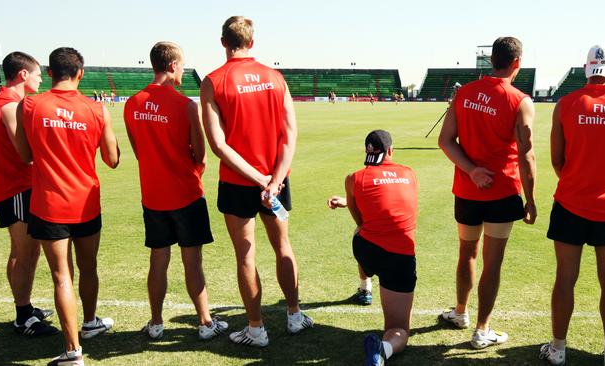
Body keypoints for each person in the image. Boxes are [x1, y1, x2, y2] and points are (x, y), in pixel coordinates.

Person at [201, 15, 312, 347]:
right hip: (275, 181)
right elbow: (290, 133)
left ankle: (256, 329)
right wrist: (274, 180)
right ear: (252, 42)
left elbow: (219, 145)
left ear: (223, 42)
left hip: (239, 182)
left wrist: (259, 178)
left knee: (245, 256)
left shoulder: (213, 81)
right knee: (283, 247)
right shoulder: (275, 77)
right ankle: (294, 315)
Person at [14, 47, 120, 366]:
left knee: (62, 276)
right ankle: (89, 323)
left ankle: (73, 352)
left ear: (49, 72)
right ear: (81, 73)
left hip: (49, 203)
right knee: (89, 267)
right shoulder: (97, 109)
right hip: (86, 201)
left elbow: (24, 154)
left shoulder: (30, 104)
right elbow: (112, 160)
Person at [539, 45, 605, 366]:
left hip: (569, 202)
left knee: (565, 277)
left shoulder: (566, 104)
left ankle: (557, 349)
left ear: (587, 68)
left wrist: (576, 179)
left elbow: (557, 159)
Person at [124, 41, 227, 341]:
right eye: (182, 65)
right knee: (192, 261)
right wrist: (192, 172)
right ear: (172, 66)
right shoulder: (185, 105)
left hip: (153, 196)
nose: (183, 70)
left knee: (158, 259)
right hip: (185, 194)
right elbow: (202, 156)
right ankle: (206, 323)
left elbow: (139, 152)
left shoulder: (133, 103)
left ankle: (156, 323)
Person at [437, 36, 536, 349]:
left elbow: (445, 141)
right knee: (492, 263)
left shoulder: (464, 93)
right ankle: (482, 330)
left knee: (467, 252)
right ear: (517, 63)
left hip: (468, 190)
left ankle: (461, 312)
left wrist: (471, 170)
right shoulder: (520, 100)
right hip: (503, 191)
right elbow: (527, 154)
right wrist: (531, 199)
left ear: (491, 59)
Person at [327, 130, 418, 366]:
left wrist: (348, 201)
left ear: (367, 152)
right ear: (390, 151)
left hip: (367, 251)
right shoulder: (409, 174)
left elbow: (361, 219)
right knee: (398, 329)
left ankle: (365, 287)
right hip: (400, 257)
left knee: (362, 232)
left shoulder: (354, 178)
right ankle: (383, 349)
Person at [0, 51, 57, 337]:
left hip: (17, 186)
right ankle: (22, 316)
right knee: (24, 252)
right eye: (38, 74)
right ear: (23, 74)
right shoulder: (8, 104)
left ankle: (24, 308)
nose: (41, 79)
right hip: (16, 186)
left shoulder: (6, 102)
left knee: (27, 250)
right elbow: (25, 153)